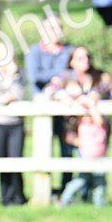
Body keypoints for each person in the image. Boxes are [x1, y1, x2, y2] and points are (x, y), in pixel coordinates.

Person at [47, 46, 112, 200]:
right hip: (74, 130)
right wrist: (64, 96)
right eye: (80, 58)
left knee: (97, 169)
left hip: (97, 132)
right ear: (72, 61)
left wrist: (94, 96)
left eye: (87, 57)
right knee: (77, 165)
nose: (85, 61)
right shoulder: (66, 77)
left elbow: (109, 88)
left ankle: (93, 199)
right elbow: (50, 89)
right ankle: (68, 197)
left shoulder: (98, 76)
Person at [25, 18, 74, 196]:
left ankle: (66, 189)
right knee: (44, 147)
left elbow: (74, 72)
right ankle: (45, 191)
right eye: (50, 28)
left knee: (67, 148)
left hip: (65, 106)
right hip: (43, 106)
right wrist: (58, 77)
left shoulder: (69, 50)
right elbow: (35, 76)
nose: (54, 32)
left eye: (57, 28)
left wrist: (60, 78)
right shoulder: (35, 51)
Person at [0, 41, 27, 206]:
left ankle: (19, 196)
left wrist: (12, 76)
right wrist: (3, 99)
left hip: (16, 122)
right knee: (2, 161)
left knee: (16, 161)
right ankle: (5, 197)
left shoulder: (17, 72)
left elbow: (19, 94)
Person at [58, 89, 109, 207]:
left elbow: (99, 120)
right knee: (81, 180)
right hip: (86, 155)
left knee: (100, 181)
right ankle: (64, 200)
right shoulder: (82, 122)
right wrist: (83, 101)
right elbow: (70, 102)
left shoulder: (99, 121)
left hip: (99, 155)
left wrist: (91, 104)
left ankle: (99, 205)